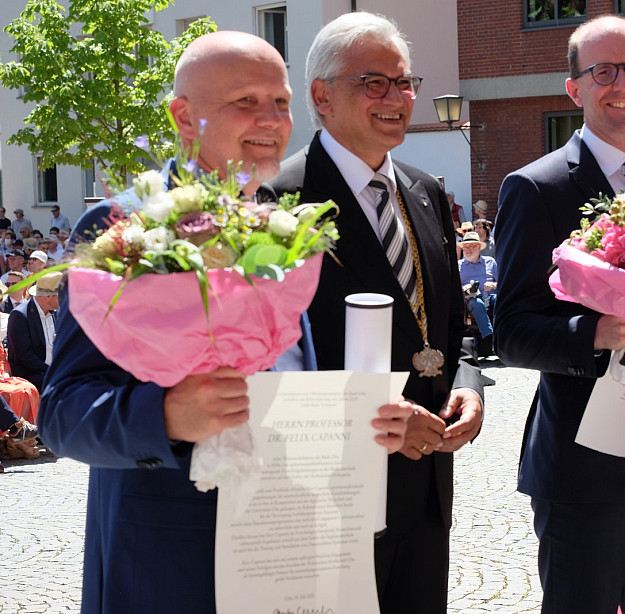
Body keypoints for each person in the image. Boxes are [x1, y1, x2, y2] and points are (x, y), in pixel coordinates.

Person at [37, 31, 411, 613]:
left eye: (281, 102)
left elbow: (285, 376)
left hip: (287, 551)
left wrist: (358, 421)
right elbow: (62, 416)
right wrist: (166, 416)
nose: (272, 120)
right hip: (171, 566)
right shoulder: (122, 228)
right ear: (184, 117)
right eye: (245, 101)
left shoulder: (282, 228)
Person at [268, 12, 484, 614]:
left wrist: (468, 387)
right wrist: (374, 416)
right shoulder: (277, 199)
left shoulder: (426, 191)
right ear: (322, 96)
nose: (398, 98)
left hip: (427, 487)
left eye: (405, 81)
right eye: (375, 83)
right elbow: (270, 367)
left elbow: (452, 327)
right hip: (331, 490)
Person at [494, 14, 625, 614]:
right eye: (603, 71)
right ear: (574, 89)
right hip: (586, 467)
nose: (622, 83)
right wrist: (595, 333)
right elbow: (511, 332)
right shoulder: (536, 188)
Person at [7, 271, 61, 391]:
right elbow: (24, 356)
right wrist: (52, 371)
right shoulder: (20, 315)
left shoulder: (56, 313)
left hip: (52, 370)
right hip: (30, 374)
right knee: (64, 385)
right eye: (61, 295)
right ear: (48, 297)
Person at [457, 231, 497, 358]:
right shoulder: (458, 266)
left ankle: (504, 335)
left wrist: (493, 285)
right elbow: (453, 289)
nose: (468, 250)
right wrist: (464, 288)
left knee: (499, 300)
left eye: (471, 246)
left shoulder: (490, 262)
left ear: (479, 247)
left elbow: (502, 284)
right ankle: (489, 337)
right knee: (477, 303)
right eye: (465, 247)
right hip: (471, 300)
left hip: (490, 297)